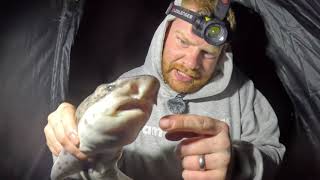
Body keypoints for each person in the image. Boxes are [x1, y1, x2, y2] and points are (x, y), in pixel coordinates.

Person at [44, 0, 285, 179]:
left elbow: (274, 153)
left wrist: (241, 165)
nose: (191, 63)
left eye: (207, 53)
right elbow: (82, 165)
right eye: (183, 41)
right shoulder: (127, 88)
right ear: (164, 32)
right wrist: (68, 138)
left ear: (223, 54)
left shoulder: (245, 95)